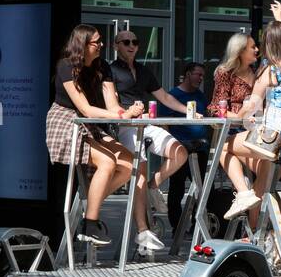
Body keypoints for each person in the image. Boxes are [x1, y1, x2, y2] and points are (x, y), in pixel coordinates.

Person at [46, 24, 138, 247]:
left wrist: (126, 112)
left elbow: (112, 105)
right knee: (107, 162)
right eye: (96, 42)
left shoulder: (101, 66)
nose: (101, 45)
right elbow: (85, 109)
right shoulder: (66, 65)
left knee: (127, 162)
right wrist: (122, 116)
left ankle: (90, 207)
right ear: (83, 44)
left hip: (89, 122)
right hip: (66, 120)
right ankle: (90, 223)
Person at [109, 30, 193, 255]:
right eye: (126, 42)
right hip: (125, 125)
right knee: (140, 169)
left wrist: (189, 112)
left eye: (135, 42)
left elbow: (164, 97)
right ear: (116, 45)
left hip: (145, 124)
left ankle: (153, 186)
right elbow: (109, 104)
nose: (131, 45)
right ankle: (143, 230)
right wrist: (128, 113)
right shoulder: (111, 70)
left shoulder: (144, 70)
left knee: (180, 153)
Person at [225, 19, 281, 221]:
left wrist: (231, 116)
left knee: (222, 146)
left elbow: (251, 107)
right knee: (261, 188)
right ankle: (262, 236)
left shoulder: (270, 71)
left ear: (268, 44)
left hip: (275, 140)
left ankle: (242, 193)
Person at [211, 31, 263, 216]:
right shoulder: (225, 73)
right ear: (240, 51)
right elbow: (218, 108)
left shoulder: (258, 73)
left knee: (264, 178)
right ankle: (243, 190)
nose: (257, 50)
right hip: (232, 129)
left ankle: (247, 198)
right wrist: (240, 117)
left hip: (254, 128)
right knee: (223, 148)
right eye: (253, 47)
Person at [161, 61, 210, 227]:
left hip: (200, 148)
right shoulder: (173, 95)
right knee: (177, 189)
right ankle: (177, 227)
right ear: (188, 74)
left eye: (203, 75)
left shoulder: (200, 95)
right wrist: (170, 145)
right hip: (180, 149)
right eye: (198, 74)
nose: (201, 78)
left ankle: (198, 226)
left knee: (202, 189)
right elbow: (163, 122)